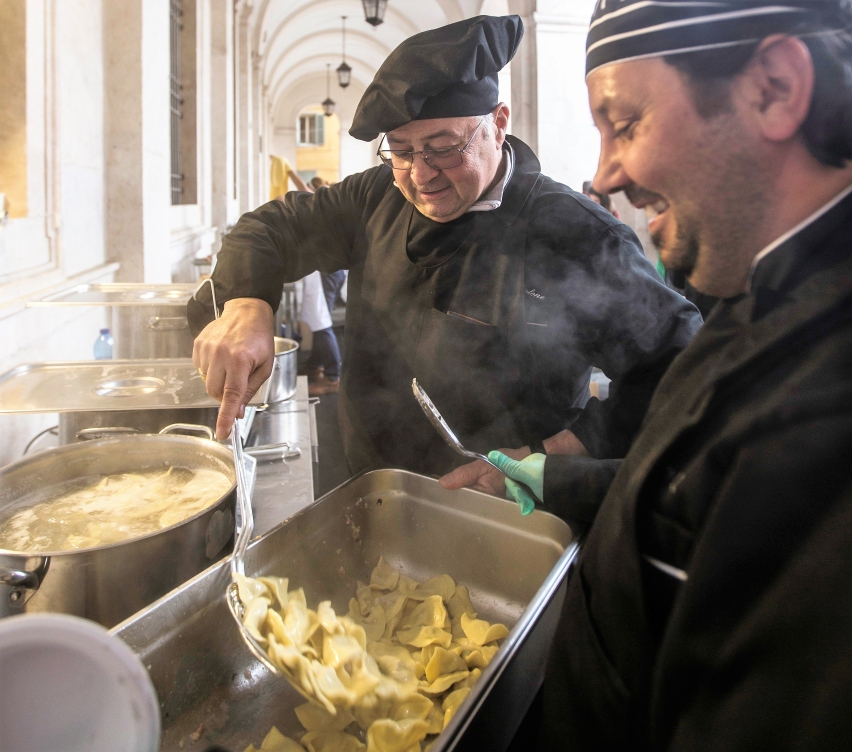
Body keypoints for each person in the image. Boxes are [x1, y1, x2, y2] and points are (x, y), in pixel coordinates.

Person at [490, 1, 852, 748]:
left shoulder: (825, 416)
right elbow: (697, 494)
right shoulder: (755, 283)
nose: (604, 173)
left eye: (624, 124)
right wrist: (556, 480)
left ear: (775, 88)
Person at [188, 15, 701, 481]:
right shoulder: (374, 196)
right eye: (402, 150)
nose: (420, 174)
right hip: (372, 488)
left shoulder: (577, 234)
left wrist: (546, 456)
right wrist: (247, 303)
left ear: (498, 123)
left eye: (442, 148)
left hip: (505, 509)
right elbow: (269, 228)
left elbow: (678, 373)